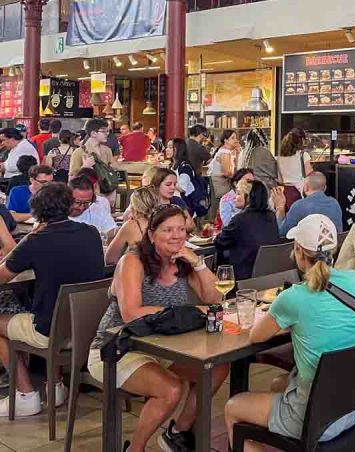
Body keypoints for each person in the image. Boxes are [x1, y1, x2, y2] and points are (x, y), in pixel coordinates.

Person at [87, 204, 228, 452]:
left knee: (217, 368)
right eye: (168, 230)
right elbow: (131, 314)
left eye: (181, 230)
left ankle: (178, 432)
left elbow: (215, 298)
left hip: (162, 346)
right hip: (117, 348)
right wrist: (188, 312)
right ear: (151, 235)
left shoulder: (183, 261)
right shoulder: (132, 261)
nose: (176, 236)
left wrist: (198, 263)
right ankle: (135, 449)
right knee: (170, 389)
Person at [225, 214, 355, 445]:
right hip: (352, 405)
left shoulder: (292, 298)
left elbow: (255, 336)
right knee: (279, 384)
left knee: (232, 407)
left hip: (316, 417)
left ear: (298, 251)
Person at [0, 182, 105, 416]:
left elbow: (2, 276)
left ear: (37, 211)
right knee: (53, 305)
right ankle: (55, 386)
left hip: (51, 331)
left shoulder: (36, 241)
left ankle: (25, 395)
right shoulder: (91, 233)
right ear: (68, 206)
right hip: (87, 328)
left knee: (25, 315)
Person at [214, 180, 280, 280]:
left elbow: (220, 242)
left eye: (238, 193)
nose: (234, 197)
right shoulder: (271, 216)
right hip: (269, 274)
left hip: (244, 276)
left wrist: (216, 235)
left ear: (248, 197)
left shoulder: (240, 219)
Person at [105, 186, 160, 265]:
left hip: (140, 274)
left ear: (134, 206)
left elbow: (110, 259)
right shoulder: (164, 222)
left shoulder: (132, 225)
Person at [277, 171, 342, 236]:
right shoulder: (335, 204)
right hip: (334, 245)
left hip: (309, 246)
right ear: (325, 188)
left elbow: (282, 232)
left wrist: (280, 207)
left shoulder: (299, 206)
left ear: (306, 187)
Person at [69, 171, 118, 241]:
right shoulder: (56, 213)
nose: (81, 207)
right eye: (77, 202)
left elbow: (112, 232)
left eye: (87, 203)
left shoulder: (97, 209)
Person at [277, 128, 313, 211]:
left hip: (285, 193)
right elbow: (309, 174)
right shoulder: (303, 155)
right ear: (301, 140)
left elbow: (280, 180)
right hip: (298, 193)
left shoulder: (280, 157)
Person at [209, 129, 238, 200]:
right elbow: (229, 173)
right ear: (226, 140)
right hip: (220, 184)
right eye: (232, 138)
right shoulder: (225, 152)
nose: (236, 140)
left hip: (219, 182)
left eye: (236, 138)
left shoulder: (225, 151)